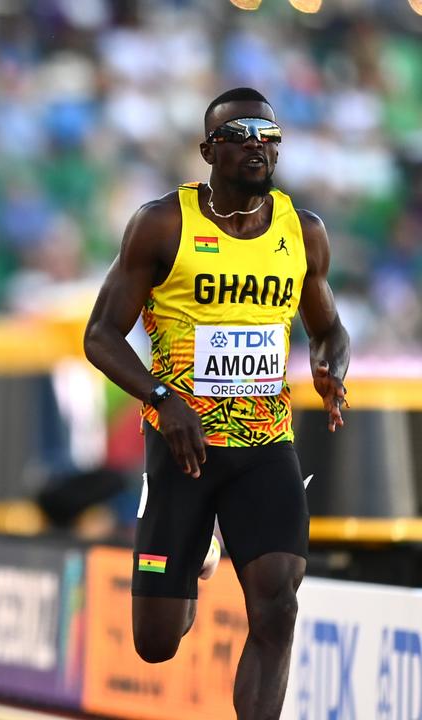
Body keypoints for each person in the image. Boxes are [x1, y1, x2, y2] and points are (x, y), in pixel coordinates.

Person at [83, 88, 350, 719]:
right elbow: (99, 336)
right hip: (183, 446)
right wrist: (161, 397)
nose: (257, 141)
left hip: (266, 443)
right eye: (240, 132)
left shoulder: (302, 232)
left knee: (278, 603)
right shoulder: (162, 224)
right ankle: (200, 551)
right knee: (155, 642)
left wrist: (329, 365)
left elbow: (329, 327)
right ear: (208, 150)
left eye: (268, 132)